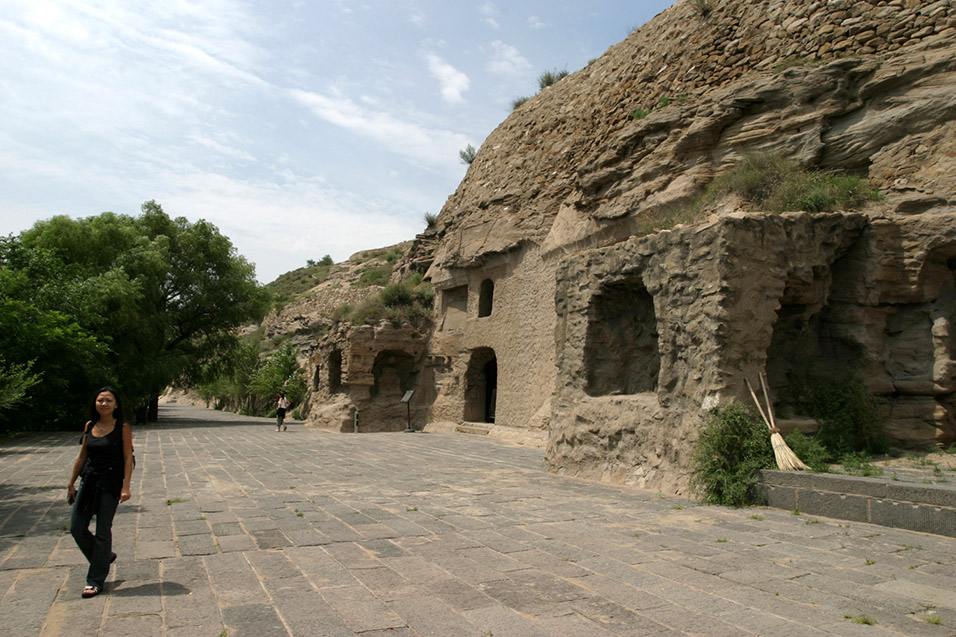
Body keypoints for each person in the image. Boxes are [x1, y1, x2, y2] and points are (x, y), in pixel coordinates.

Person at [67, 387, 134, 599]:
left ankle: (95, 580)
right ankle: (104, 557)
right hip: (89, 481)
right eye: (100, 400)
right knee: (77, 527)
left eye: (108, 401)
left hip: (110, 483)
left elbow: (127, 458)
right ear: (95, 403)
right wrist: (71, 483)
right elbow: (82, 456)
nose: (103, 404)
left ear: (116, 405)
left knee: (103, 531)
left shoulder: (122, 427)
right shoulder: (90, 426)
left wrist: (126, 486)